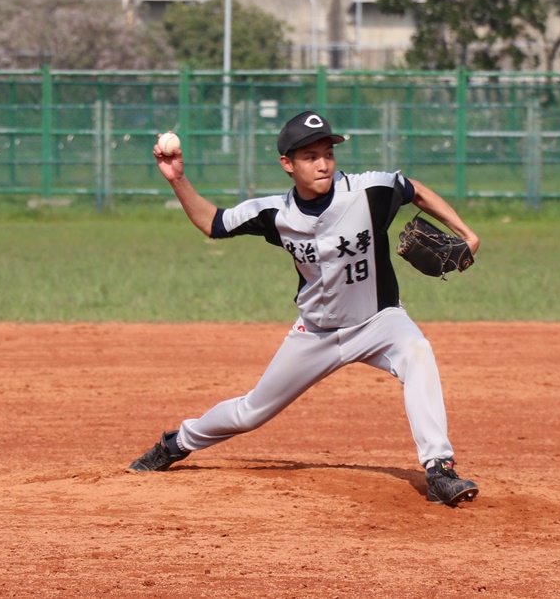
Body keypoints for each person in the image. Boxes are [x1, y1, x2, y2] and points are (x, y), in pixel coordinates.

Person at [127, 110, 481, 507]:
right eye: (310, 156)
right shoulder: (275, 213)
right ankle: (176, 443)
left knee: (418, 353)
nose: (323, 163)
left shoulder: (369, 191)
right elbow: (213, 222)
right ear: (287, 164)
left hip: (379, 321)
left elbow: (415, 190)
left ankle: (439, 469)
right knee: (250, 412)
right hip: (315, 334)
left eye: (328, 153)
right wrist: (177, 179)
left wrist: (467, 233)